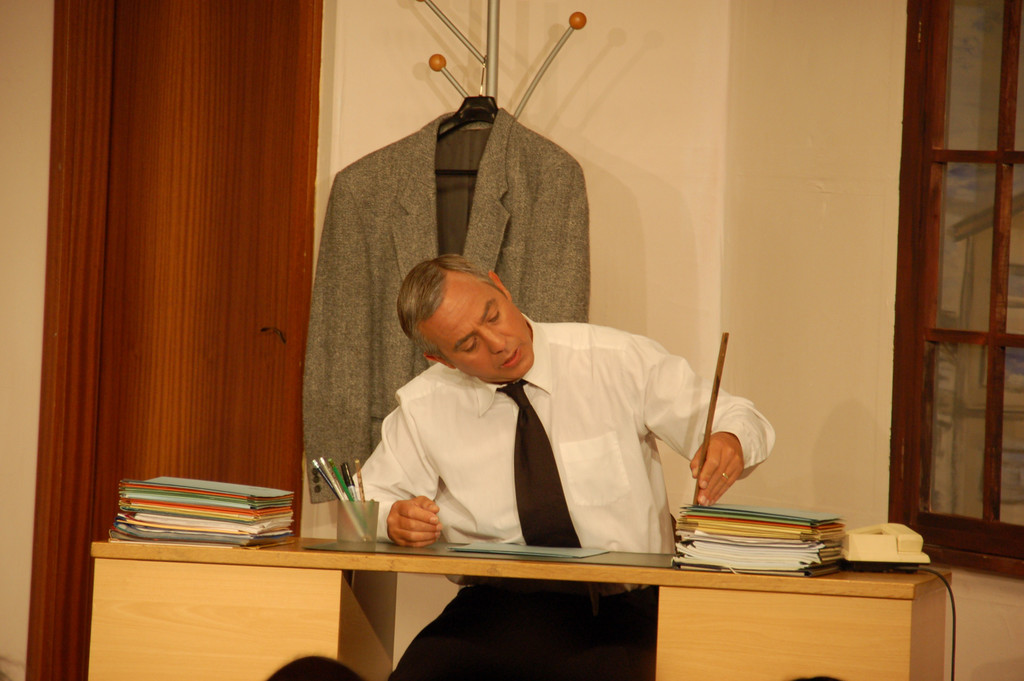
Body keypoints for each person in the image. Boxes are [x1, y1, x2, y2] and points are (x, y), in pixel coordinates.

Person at [360, 254, 775, 681]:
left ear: (500, 287)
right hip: (495, 606)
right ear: (442, 360)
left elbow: (738, 416)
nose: (498, 343)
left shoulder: (613, 359)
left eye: (493, 315)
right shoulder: (425, 406)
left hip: (619, 605)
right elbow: (364, 500)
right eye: (468, 345)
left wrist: (729, 440)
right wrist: (391, 519)